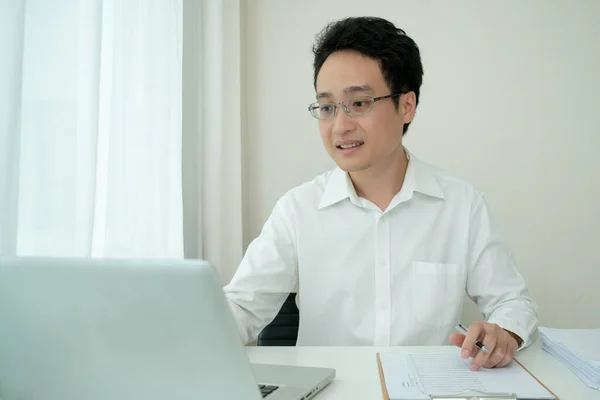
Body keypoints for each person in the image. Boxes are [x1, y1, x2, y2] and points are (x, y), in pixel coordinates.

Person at [223, 16, 538, 370]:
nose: (340, 126)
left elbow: (513, 302)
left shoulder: (463, 206)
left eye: (359, 103)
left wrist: (504, 333)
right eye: (327, 107)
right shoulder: (298, 210)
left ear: (406, 105)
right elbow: (241, 308)